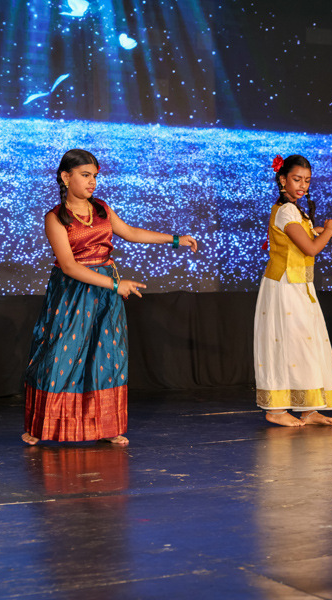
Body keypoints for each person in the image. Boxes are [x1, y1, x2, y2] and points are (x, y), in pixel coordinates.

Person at [22, 149, 198, 446]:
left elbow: (130, 232)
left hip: (106, 291)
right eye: (85, 175)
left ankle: (107, 425)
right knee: (62, 353)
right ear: (66, 177)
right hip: (73, 292)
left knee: (106, 354)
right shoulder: (55, 218)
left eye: (94, 176)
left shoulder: (101, 208)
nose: (92, 182)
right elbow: (69, 266)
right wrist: (115, 285)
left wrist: (175, 239)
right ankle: (42, 426)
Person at [254, 154, 332, 427]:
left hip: (299, 285)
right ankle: (276, 410)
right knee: (288, 344)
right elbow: (311, 249)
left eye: (307, 180)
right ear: (283, 180)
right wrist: (329, 229)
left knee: (306, 344)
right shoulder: (286, 211)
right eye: (296, 179)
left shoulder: (294, 210)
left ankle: (308, 408)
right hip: (285, 286)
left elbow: (302, 238)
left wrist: (319, 231)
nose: (302, 185)